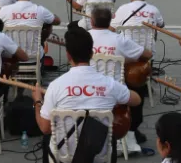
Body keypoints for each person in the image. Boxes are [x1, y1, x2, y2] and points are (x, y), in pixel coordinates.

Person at [33, 25, 141, 160]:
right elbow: (136, 100)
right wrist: (114, 100)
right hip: (98, 155)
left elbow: (45, 128)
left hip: (64, 156)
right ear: (91, 54)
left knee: (48, 136)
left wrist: (37, 101)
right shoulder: (109, 84)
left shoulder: (56, 86)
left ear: (68, 55)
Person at [89, 7, 153, 154]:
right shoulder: (119, 40)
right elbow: (147, 54)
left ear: (91, 21)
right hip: (115, 91)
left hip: (89, 88)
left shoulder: (84, 38)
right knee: (138, 88)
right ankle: (130, 132)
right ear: (110, 21)